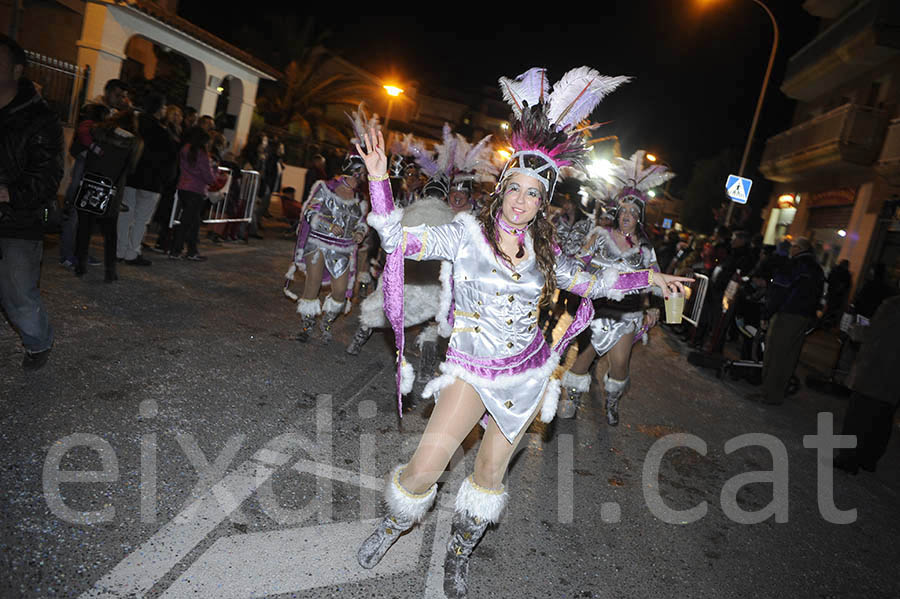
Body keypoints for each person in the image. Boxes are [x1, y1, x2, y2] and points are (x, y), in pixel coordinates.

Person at [354, 67, 689, 598]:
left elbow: (597, 279)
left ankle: (459, 553)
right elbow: (397, 238)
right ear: (502, 190)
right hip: (470, 369)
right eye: (515, 188)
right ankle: (393, 526)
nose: (521, 201)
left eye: (534, 194)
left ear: (542, 203)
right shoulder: (465, 233)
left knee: (489, 478)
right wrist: (379, 181)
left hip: (526, 377)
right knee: (423, 469)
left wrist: (650, 276)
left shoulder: (549, 253)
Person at [556, 150, 673, 423]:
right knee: (584, 358)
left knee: (620, 365)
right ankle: (571, 397)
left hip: (627, 315)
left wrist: (655, 306)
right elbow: (579, 263)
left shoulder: (645, 248)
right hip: (597, 310)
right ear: (617, 212)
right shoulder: (599, 235)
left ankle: (612, 399)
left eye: (633, 212)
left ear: (640, 217)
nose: (627, 215)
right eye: (624, 211)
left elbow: (655, 277)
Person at [0, 34, 64, 370]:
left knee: (17, 292)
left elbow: (49, 173)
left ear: (16, 69)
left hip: (18, 220)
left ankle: (39, 341)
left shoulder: (40, 118)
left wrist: (9, 192)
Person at [284, 108, 371, 343]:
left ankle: (327, 321)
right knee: (312, 284)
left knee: (341, 292)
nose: (360, 177)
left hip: (342, 249)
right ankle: (307, 326)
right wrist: (327, 226)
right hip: (318, 244)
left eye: (363, 174)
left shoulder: (360, 200)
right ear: (350, 170)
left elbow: (363, 224)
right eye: (358, 172)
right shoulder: (325, 188)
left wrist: (360, 233)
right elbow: (309, 213)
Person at [745, 237, 824, 405]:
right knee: (789, 357)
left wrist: (766, 314)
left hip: (786, 315)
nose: (790, 249)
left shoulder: (793, 265)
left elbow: (779, 291)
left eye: (793, 246)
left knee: (774, 355)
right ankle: (777, 393)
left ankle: (768, 394)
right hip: (803, 318)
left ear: (798, 248)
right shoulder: (817, 269)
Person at [59, 79, 129, 269]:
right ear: (107, 92)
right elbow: (85, 134)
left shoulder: (114, 113)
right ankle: (67, 254)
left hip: (98, 166)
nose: (121, 98)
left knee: (89, 210)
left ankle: (79, 252)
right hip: (87, 163)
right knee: (78, 210)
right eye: (117, 94)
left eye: (123, 95)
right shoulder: (94, 109)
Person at [833, 295, 900, 474]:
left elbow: (874, 332)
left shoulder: (892, 305)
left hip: (876, 368)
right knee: (883, 416)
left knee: (859, 415)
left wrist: (855, 330)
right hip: (894, 376)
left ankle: (849, 458)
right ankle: (869, 458)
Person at [74, 110, 143, 282]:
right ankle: (110, 271)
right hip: (112, 190)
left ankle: (80, 265)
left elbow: (81, 144)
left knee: (84, 228)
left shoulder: (99, 132)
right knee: (110, 233)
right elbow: (132, 169)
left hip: (90, 185)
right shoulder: (133, 143)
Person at [117, 93, 178, 265]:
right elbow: (170, 161)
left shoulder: (134, 125)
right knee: (141, 220)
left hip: (130, 177)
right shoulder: (162, 132)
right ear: (160, 109)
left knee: (125, 216)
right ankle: (132, 252)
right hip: (152, 183)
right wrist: (166, 181)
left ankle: (119, 250)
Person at [169, 127, 220, 261]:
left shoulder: (185, 149)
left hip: (183, 187)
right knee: (187, 222)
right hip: (196, 190)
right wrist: (215, 170)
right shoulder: (201, 154)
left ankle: (191, 250)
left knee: (192, 221)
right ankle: (177, 249)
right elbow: (209, 177)